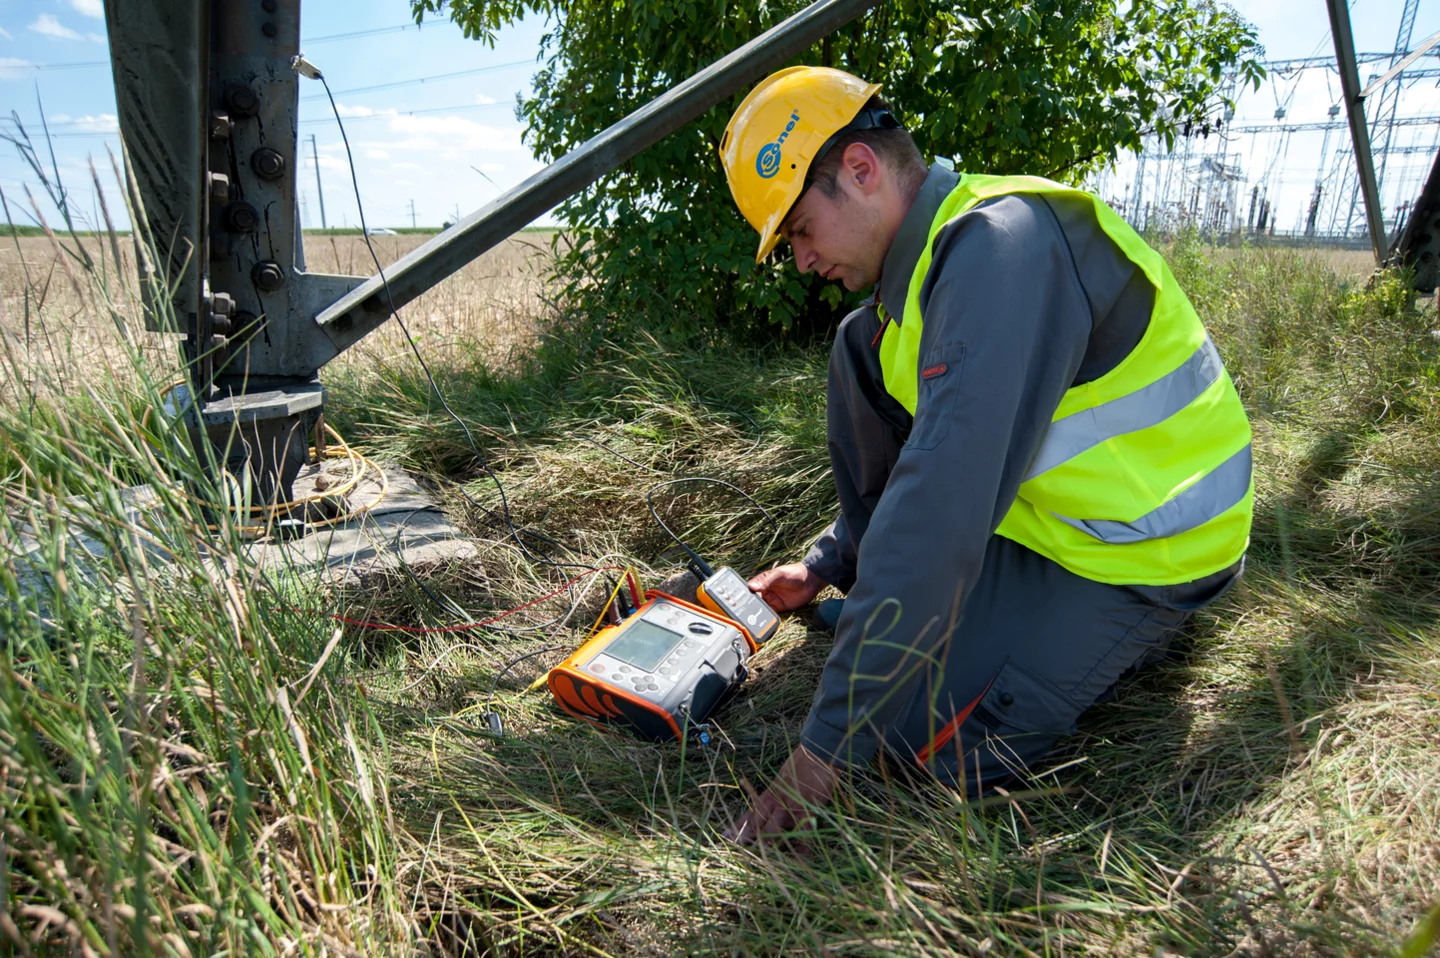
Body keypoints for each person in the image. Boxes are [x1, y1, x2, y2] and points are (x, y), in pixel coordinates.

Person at [715, 67, 1253, 845]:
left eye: (799, 229)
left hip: (1143, 551)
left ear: (860, 171)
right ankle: (893, 610)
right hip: (1046, 521)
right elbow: (915, 477)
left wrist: (823, 750)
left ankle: (1130, 637)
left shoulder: (1003, 251)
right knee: (855, 347)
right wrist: (832, 562)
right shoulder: (916, 286)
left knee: (910, 745)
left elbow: (938, 513)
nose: (801, 259)